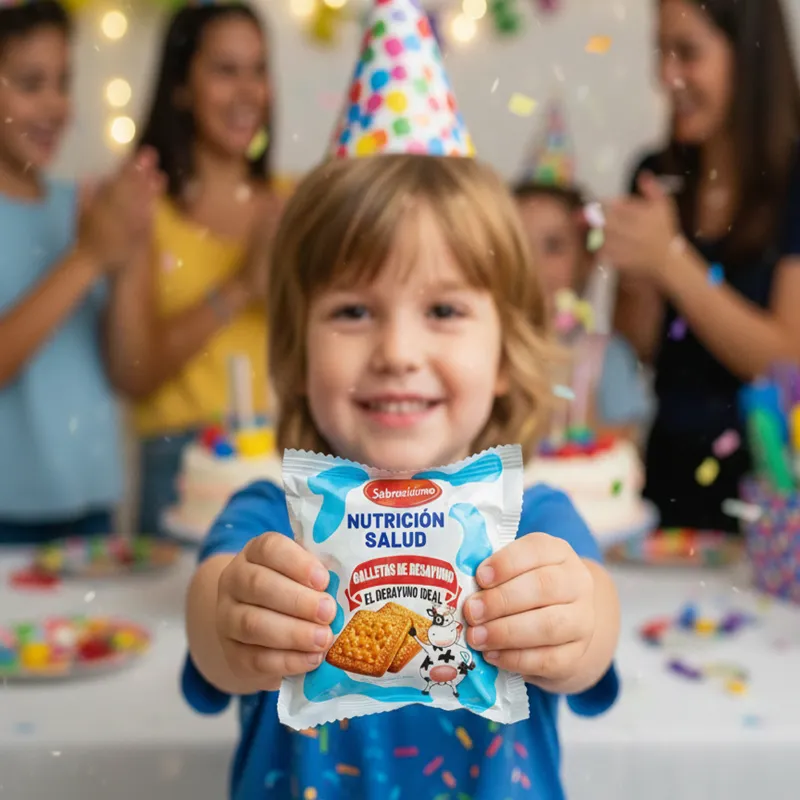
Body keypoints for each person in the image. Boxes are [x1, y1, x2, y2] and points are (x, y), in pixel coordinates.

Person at [181, 2, 620, 796]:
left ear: (504, 349)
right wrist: (232, 617)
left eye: (444, 310)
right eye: (352, 310)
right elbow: (212, 628)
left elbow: (595, 634)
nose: (396, 352)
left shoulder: (533, 519)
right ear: (297, 345)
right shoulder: (267, 521)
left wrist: (577, 617)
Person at [607, 0, 800, 531]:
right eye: (661, 51)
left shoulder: (792, 183)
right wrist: (636, 273)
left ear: (750, 56)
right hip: (664, 486)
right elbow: (642, 348)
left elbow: (788, 359)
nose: (668, 76)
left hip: (771, 498)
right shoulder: (656, 174)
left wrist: (670, 262)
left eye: (687, 53)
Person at [104, 2, 282, 535]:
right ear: (180, 87)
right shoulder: (142, 207)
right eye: (226, 71)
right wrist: (242, 286)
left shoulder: (293, 203)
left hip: (282, 456)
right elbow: (132, 372)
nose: (248, 92)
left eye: (259, 69)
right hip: (181, 464)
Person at [0, 0, 160, 544]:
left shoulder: (83, 206)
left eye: (62, 82)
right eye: (30, 83)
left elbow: (128, 371)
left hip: (92, 509)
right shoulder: (88, 233)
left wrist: (132, 244)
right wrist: (90, 255)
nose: (54, 106)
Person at [514, 181, 651, 433]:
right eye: (518, 246)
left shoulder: (608, 358)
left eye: (553, 246)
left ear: (586, 260)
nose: (533, 263)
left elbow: (623, 451)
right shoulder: (487, 354)